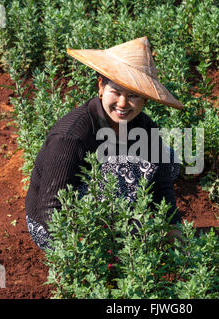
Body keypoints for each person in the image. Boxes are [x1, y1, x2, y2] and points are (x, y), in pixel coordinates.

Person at [25, 36, 184, 251]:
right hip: (52, 227)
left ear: (145, 99)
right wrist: (87, 250)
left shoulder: (144, 126)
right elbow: (49, 209)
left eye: (133, 96)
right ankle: (115, 238)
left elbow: (163, 185)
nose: (122, 103)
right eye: (116, 92)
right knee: (123, 172)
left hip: (96, 202)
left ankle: (125, 226)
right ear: (101, 86)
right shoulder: (71, 136)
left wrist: (173, 227)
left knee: (167, 159)